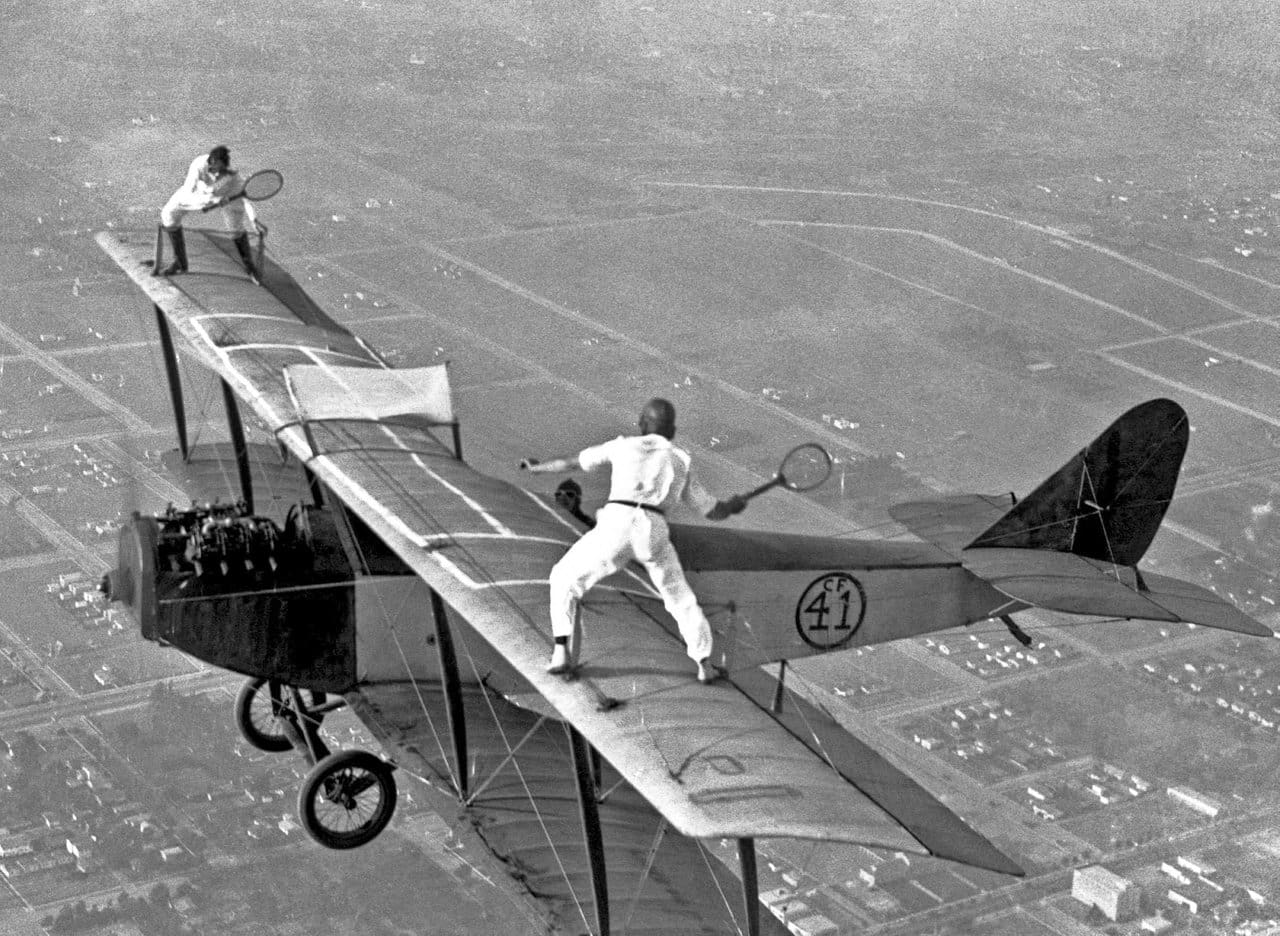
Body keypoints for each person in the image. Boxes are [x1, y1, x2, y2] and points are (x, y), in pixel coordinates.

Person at [521, 398, 747, 682]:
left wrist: (537, 468)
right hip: (653, 529)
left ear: (642, 423)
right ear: (672, 429)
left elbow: (572, 463)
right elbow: (712, 511)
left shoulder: (622, 445)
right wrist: (733, 505)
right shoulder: (681, 460)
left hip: (617, 521)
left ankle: (560, 653)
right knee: (680, 598)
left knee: (564, 577)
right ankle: (705, 664)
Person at [157, 145, 259, 281]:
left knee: (236, 229)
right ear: (210, 162)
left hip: (229, 194)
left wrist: (254, 219)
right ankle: (180, 263)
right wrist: (211, 200)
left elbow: (245, 196)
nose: (218, 174)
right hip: (200, 194)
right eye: (216, 169)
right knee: (168, 214)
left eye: (221, 170)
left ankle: (251, 269)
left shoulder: (232, 173)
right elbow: (188, 191)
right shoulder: (198, 165)